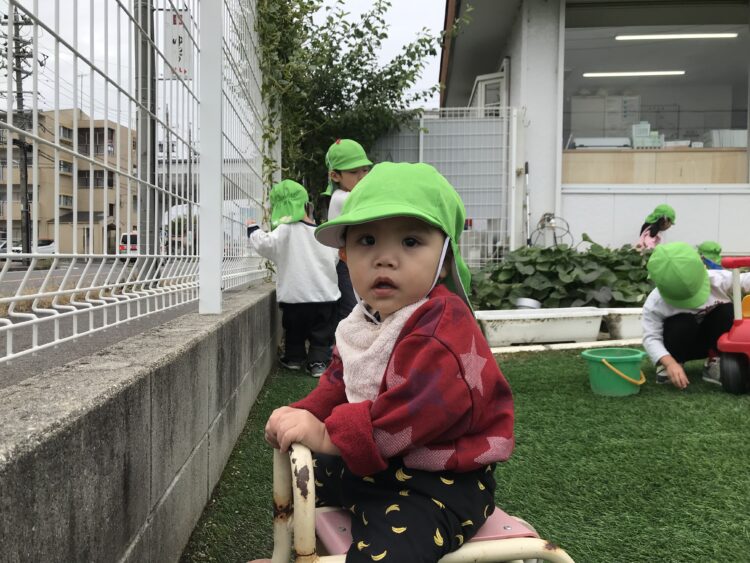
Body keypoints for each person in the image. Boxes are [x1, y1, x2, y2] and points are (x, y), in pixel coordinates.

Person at [262, 162, 514, 562]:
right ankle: (297, 550)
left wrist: (326, 435)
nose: (385, 258)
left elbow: (407, 415)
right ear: (345, 255)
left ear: (445, 260)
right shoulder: (367, 317)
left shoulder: (443, 331)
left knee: (390, 550)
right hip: (374, 464)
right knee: (304, 474)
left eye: (411, 241)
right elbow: (340, 380)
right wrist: (305, 412)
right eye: (367, 240)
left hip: (438, 481)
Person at [247, 179, 340, 377]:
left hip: (295, 296)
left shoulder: (285, 230)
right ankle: (318, 362)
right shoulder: (321, 232)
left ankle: (294, 358)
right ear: (307, 206)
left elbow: (264, 244)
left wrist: (253, 229)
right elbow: (335, 257)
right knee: (322, 331)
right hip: (325, 295)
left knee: (294, 329)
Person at [642, 242, 750, 389]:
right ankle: (674, 364)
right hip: (677, 345)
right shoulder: (655, 303)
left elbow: (743, 280)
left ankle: (715, 359)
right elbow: (651, 338)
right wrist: (669, 362)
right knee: (682, 322)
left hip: (711, 342)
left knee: (727, 311)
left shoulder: (715, 279)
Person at [323, 138, 373, 324]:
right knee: (351, 309)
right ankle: (344, 341)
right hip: (344, 263)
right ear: (335, 176)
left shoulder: (351, 195)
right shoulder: (341, 198)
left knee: (361, 305)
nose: (362, 176)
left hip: (354, 259)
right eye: (353, 172)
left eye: (365, 170)